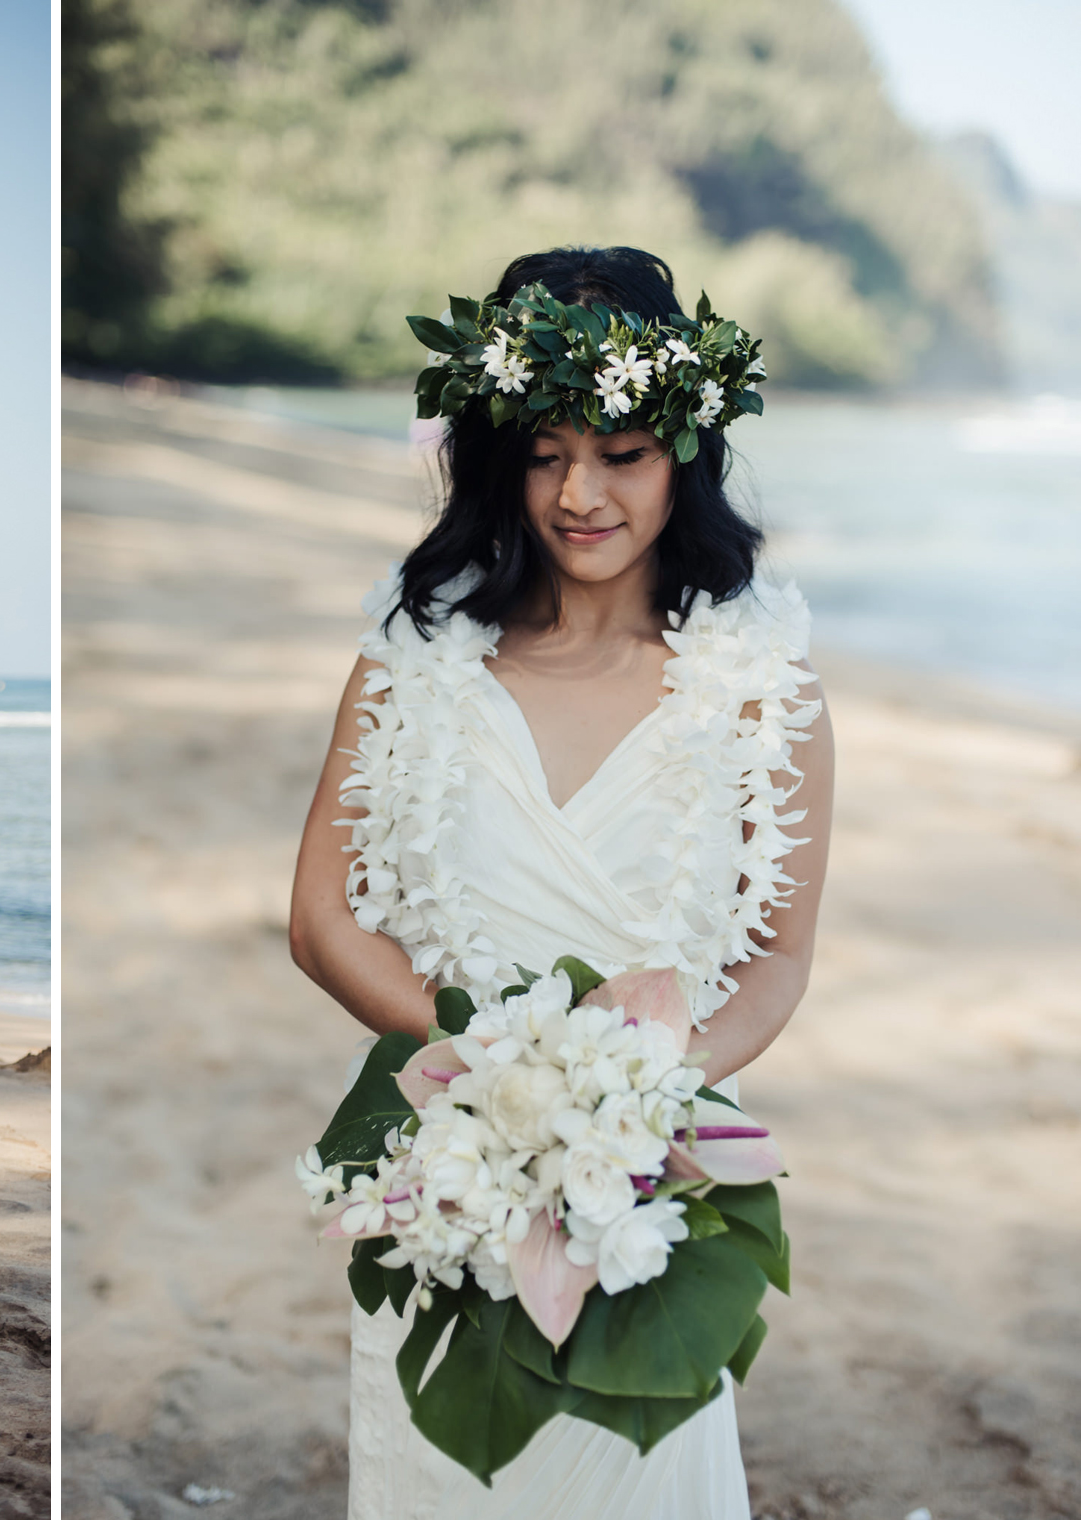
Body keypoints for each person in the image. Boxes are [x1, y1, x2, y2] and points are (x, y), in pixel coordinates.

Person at [287, 246, 835, 1518]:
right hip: (449, 1167)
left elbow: (779, 958)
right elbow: (320, 921)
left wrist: (632, 1092)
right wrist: (509, 1081)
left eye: (622, 451)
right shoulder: (411, 658)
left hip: (649, 1171)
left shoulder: (762, 685)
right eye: (542, 454)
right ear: (496, 458)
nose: (578, 493)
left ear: (684, 451)